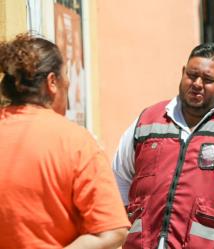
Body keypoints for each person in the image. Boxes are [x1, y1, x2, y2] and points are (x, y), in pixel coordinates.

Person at [113, 43, 214, 249]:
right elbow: (120, 178)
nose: (197, 83)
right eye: (192, 75)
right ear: (183, 72)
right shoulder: (148, 119)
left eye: (208, 79)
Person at [0, 34, 130, 249]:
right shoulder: (75, 142)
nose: (68, 83)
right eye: (66, 75)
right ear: (52, 82)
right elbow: (112, 231)